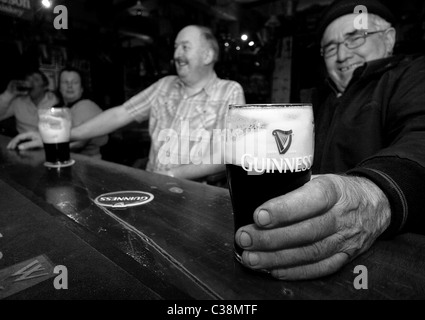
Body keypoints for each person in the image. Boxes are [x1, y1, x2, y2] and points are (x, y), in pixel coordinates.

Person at [233, 0, 425, 280]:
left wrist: (375, 194)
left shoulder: (412, 77)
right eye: (331, 48)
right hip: (298, 253)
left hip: (381, 266)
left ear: (389, 39)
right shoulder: (313, 100)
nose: (342, 55)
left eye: (355, 37)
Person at [9, 25, 245, 179]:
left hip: (201, 198)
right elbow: (119, 114)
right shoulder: (165, 85)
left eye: (185, 47)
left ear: (208, 55)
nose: (176, 55)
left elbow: (232, 154)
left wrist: (175, 174)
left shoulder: (229, 91)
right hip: (157, 189)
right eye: (175, 48)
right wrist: (60, 137)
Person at [57, 67, 108, 158]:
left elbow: (78, 143)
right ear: (59, 88)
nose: (70, 86)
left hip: (93, 164)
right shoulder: (62, 108)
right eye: (65, 82)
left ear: (82, 88)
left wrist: (49, 148)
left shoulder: (86, 106)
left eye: (75, 82)